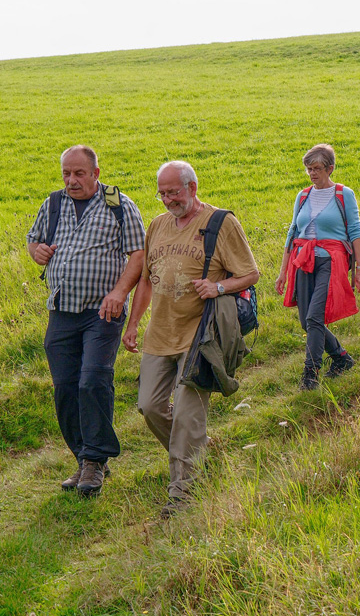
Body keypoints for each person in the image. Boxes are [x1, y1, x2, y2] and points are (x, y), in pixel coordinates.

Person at [123, 160, 259, 517]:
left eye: (174, 192)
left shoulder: (220, 223)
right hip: (160, 333)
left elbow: (250, 274)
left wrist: (218, 286)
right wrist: (134, 323)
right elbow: (147, 280)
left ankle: (182, 493)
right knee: (149, 406)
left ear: (193, 187)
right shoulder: (157, 225)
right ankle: (196, 451)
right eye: (163, 193)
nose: (168, 199)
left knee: (187, 416)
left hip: (201, 336)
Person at [26, 145, 146, 496]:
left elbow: (138, 254)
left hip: (102, 312)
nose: (71, 180)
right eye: (66, 173)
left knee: (92, 380)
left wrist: (120, 293)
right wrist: (38, 253)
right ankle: (83, 458)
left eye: (79, 173)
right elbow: (33, 242)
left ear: (96, 172)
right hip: (62, 309)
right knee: (65, 386)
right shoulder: (52, 204)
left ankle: (95, 460)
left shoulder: (118, 205)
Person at [277, 144, 360, 389]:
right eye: (309, 169)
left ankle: (310, 374)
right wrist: (283, 272)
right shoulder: (303, 195)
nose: (312, 173)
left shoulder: (343, 194)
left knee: (315, 317)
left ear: (330, 168)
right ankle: (341, 358)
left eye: (317, 168)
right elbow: (293, 231)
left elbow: (355, 231)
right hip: (303, 260)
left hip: (331, 259)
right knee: (307, 322)